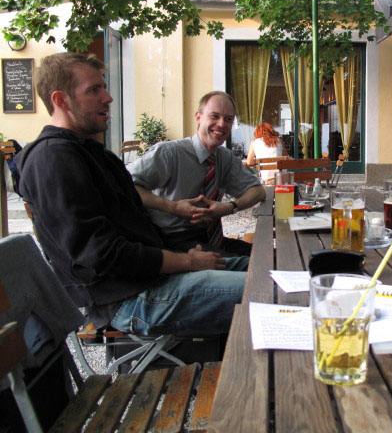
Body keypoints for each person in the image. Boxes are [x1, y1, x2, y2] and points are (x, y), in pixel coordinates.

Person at [15, 52, 246, 337]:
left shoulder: (91, 153)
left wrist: (185, 253)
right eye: (94, 90)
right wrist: (187, 262)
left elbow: (136, 224)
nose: (108, 97)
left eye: (105, 87)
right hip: (128, 299)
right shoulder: (52, 159)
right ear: (60, 100)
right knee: (272, 291)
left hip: (156, 276)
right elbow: (102, 255)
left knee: (269, 268)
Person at [127, 92, 266, 259]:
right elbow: (125, 185)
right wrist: (171, 207)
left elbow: (258, 191)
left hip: (210, 239)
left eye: (228, 119)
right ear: (198, 117)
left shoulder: (224, 158)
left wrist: (230, 207)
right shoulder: (169, 152)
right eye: (214, 116)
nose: (221, 124)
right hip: (171, 243)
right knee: (255, 268)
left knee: (269, 257)